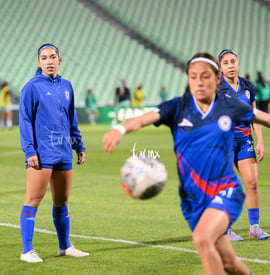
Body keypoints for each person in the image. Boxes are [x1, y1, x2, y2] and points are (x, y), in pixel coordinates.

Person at [103, 53, 270, 274]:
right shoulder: (177, 107)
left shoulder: (230, 106)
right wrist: (120, 128)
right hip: (192, 200)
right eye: (193, 77)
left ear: (216, 79)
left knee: (202, 240)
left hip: (226, 190)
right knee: (228, 262)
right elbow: (144, 118)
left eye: (205, 76)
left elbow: (264, 118)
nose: (199, 82)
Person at [19, 43, 89, 263]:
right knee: (33, 199)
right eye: (44, 58)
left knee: (61, 201)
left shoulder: (67, 85)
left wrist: (78, 144)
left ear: (60, 60)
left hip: (63, 151)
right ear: (38, 62)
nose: (49, 61)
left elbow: (71, 119)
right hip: (42, 153)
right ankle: (27, 251)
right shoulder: (31, 87)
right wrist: (30, 150)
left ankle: (65, 246)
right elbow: (25, 120)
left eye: (52, 57)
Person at [217, 49, 269, 241]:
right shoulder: (217, 89)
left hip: (245, 140)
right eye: (226, 63)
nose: (230, 65)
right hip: (224, 142)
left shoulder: (248, 86)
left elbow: (255, 116)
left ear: (238, 64)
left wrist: (260, 142)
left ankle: (254, 228)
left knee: (253, 183)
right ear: (220, 68)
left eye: (233, 61)